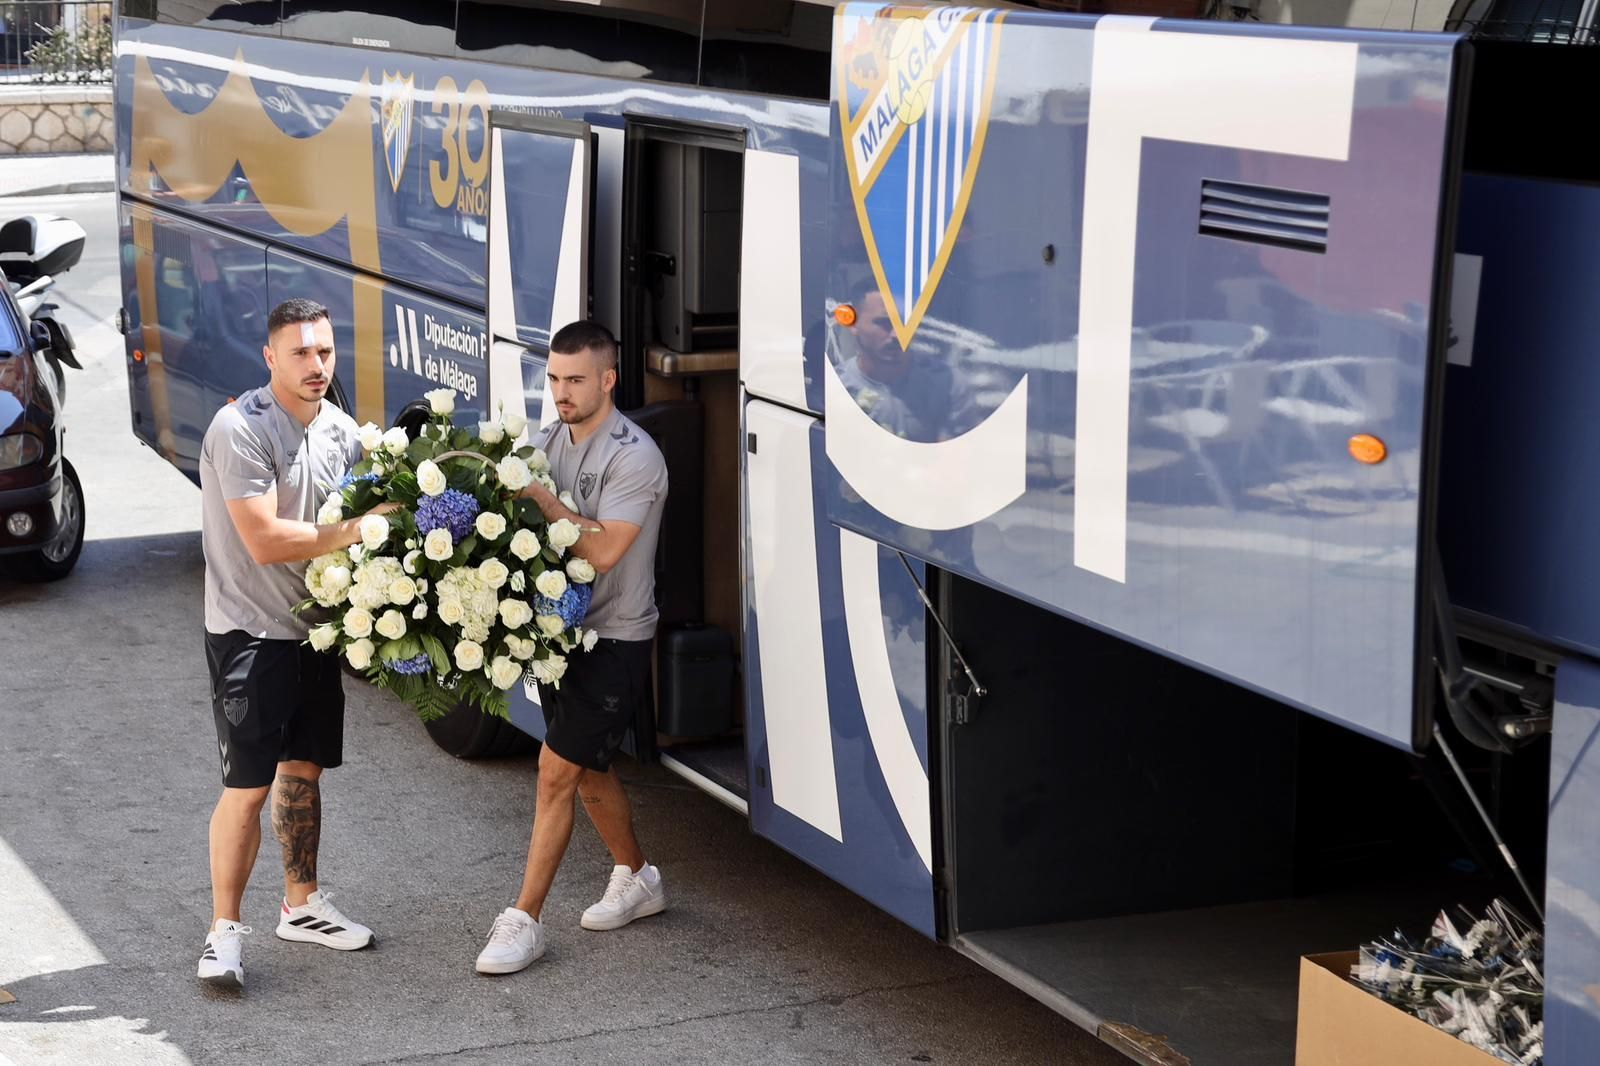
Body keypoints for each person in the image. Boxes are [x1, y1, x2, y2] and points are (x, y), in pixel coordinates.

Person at [196, 298, 395, 990]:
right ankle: (223, 934)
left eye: (325, 352)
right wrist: (361, 529)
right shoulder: (240, 428)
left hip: (315, 633)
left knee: (304, 772)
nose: (316, 365)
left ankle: (302, 905)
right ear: (270, 357)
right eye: (301, 352)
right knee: (246, 791)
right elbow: (265, 537)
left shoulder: (340, 430)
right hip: (250, 634)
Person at [474, 320, 669, 976]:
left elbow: (607, 548)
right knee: (586, 770)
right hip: (560, 637)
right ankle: (638, 877)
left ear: (607, 380)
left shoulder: (634, 455)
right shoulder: (547, 442)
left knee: (556, 770)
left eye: (575, 380)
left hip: (615, 637)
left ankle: (523, 920)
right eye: (553, 379)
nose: (560, 392)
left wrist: (540, 500)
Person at [836, 285, 979, 442]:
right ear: (853, 325)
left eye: (906, 322)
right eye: (884, 323)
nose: (898, 334)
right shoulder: (837, 387)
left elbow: (953, 458)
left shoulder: (947, 385)